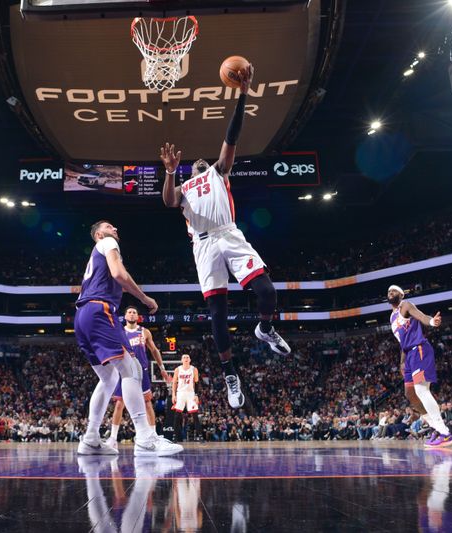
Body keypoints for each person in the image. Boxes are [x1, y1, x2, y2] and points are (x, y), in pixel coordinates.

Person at [159, 62, 290, 410]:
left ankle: (265, 328)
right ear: (189, 169)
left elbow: (232, 137)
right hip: (203, 245)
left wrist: (242, 97)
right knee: (217, 313)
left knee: (266, 290)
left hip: (229, 235)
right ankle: (230, 373)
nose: (199, 162)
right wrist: (170, 173)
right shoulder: (184, 186)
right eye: (193, 163)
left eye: (203, 161)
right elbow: (169, 201)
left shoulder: (219, 172)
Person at [74, 220, 182, 456]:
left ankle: (90, 438)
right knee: (131, 368)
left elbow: (113, 278)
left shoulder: (94, 258)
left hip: (81, 317)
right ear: (99, 234)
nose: (116, 229)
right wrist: (145, 299)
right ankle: (145, 437)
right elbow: (119, 274)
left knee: (109, 378)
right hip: (99, 310)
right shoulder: (107, 242)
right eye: (110, 226)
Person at [387, 285, 452, 448]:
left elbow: (421, 316)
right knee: (409, 393)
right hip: (409, 355)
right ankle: (437, 428)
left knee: (421, 390)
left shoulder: (406, 305)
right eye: (389, 291)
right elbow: (403, 341)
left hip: (419, 349)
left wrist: (432, 321)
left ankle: (445, 433)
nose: (391, 293)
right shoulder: (391, 318)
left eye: (395, 291)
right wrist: (402, 361)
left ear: (401, 295)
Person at [105, 306, 170, 450]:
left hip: (142, 372)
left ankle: (153, 436)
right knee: (119, 404)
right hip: (125, 372)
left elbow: (154, 350)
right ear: (125, 316)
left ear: (138, 316)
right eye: (129, 312)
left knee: (147, 403)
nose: (132, 314)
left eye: (135, 312)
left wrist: (162, 369)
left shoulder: (144, 332)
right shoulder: (120, 332)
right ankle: (113, 438)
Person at [171, 354, 202, 442]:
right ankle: (174, 437)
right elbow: (174, 383)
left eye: (187, 357)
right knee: (177, 416)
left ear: (190, 360)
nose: (186, 359)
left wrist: (196, 395)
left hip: (190, 393)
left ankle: (200, 436)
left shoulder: (194, 369)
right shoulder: (178, 369)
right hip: (180, 393)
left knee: (195, 416)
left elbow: (196, 383)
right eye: (184, 357)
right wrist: (173, 395)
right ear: (181, 360)